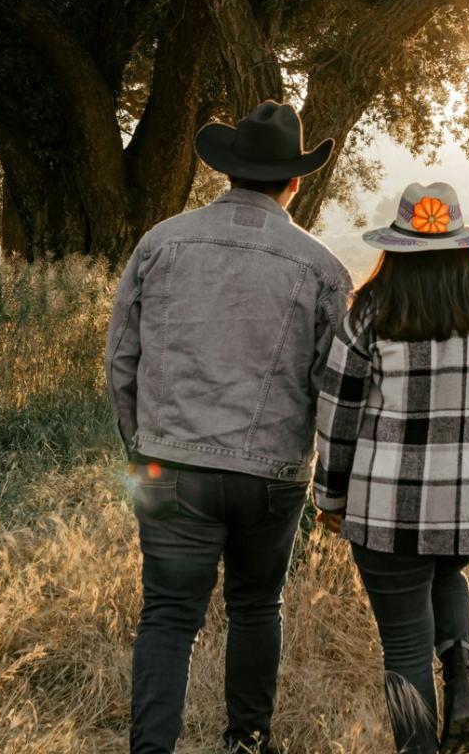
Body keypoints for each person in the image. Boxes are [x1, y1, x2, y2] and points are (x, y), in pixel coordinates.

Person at [106, 100, 353, 754]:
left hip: (167, 464)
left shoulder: (161, 242)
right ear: (293, 182)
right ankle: (245, 740)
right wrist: (323, 469)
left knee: (166, 615)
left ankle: (151, 748)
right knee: (254, 607)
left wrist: (140, 448)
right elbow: (332, 385)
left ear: (227, 172)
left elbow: (122, 359)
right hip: (269, 473)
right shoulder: (322, 267)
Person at [313, 181, 469, 754]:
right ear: (462, 241)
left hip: (386, 511)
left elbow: (338, 413)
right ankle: (461, 684)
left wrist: (329, 496)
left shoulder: (371, 313)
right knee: (446, 573)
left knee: (404, 644)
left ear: (397, 246)